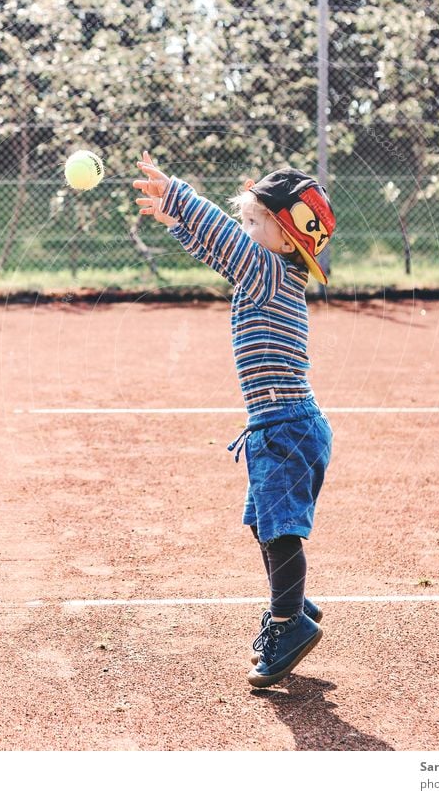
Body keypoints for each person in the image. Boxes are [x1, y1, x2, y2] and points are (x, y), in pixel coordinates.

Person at [132, 152, 335, 688]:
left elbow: (224, 241)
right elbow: (221, 251)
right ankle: (293, 602)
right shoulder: (266, 272)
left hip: (286, 428)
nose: (244, 231)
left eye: (255, 222)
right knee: (264, 525)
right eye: (244, 219)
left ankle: (289, 622)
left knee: (281, 530)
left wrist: (179, 195)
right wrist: (177, 221)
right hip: (279, 427)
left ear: (286, 237)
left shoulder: (267, 272)